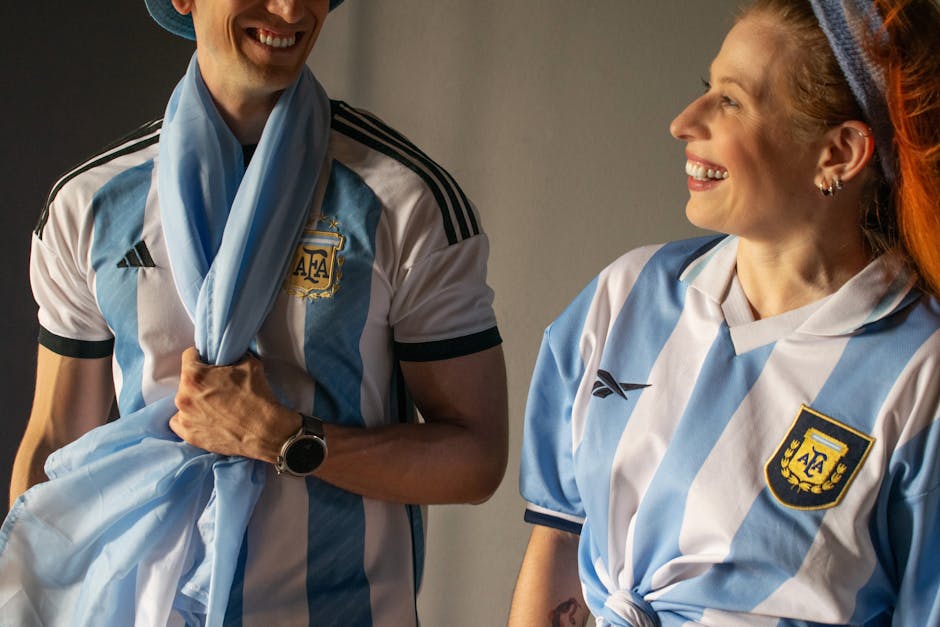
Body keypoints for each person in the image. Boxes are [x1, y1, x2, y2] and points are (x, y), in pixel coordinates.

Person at [8, 0, 508, 625]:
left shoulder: (405, 198)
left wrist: (288, 440)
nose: (291, 9)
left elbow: (477, 458)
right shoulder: (88, 205)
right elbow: (56, 441)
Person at [510, 0, 940, 625]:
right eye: (705, 89)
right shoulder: (625, 295)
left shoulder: (922, 370)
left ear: (840, 153)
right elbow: (558, 535)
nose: (684, 121)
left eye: (731, 101)